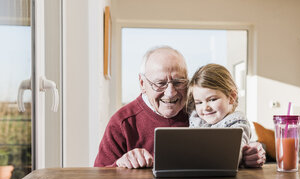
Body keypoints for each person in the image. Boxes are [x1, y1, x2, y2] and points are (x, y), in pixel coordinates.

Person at [94, 46, 266, 168]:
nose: (170, 92)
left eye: (178, 82)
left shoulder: (200, 112)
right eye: (160, 83)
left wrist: (250, 153)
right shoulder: (123, 122)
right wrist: (121, 164)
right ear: (142, 83)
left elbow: (229, 143)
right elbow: (99, 177)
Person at [187, 63, 263, 167]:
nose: (205, 108)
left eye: (212, 99)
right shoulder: (196, 119)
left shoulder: (238, 122)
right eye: (199, 102)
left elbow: (236, 152)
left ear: (231, 97)